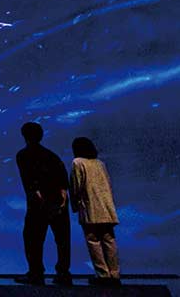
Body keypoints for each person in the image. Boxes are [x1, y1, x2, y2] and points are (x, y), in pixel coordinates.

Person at [14, 122, 72, 287]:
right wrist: (63, 197)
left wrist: (37, 194)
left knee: (32, 238)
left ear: (24, 136)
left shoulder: (23, 155)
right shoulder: (52, 155)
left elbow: (28, 178)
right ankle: (63, 273)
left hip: (39, 203)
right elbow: (63, 178)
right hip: (59, 201)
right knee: (62, 239)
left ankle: (36, 273)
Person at [69, 137, 120, 287]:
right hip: (106, 207)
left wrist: (74, 205)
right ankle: (115, 274)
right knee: (109, 239)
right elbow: (108, 184)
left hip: (90, 206)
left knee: (93, 240)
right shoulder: (100, 163)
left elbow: (76, 186)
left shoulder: (77, 162)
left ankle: (103, 274)